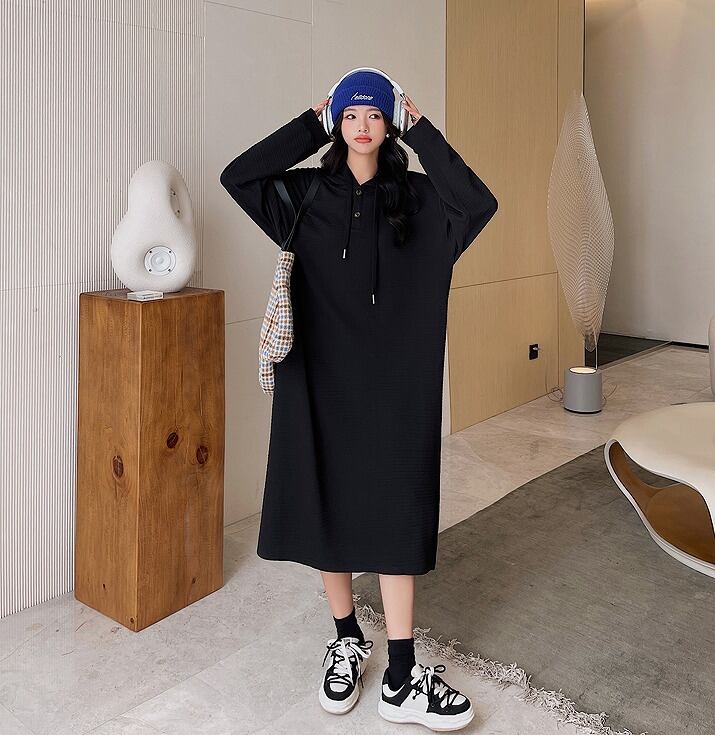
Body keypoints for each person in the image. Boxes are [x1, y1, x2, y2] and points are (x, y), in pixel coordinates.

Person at [220, 69, 498, 731]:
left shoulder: (422, 200)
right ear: (336, 124)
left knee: (398, 513)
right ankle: (347, 636)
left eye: (376, 114)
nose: (363, 125)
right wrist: (306, 125)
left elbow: (479, 203)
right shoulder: (304, 195)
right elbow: (238, 176)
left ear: (390, 123)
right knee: (328, 504)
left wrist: (422, 129)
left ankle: (401, 674)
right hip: (317, 376)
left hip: (398, 383)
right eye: (349, 115)